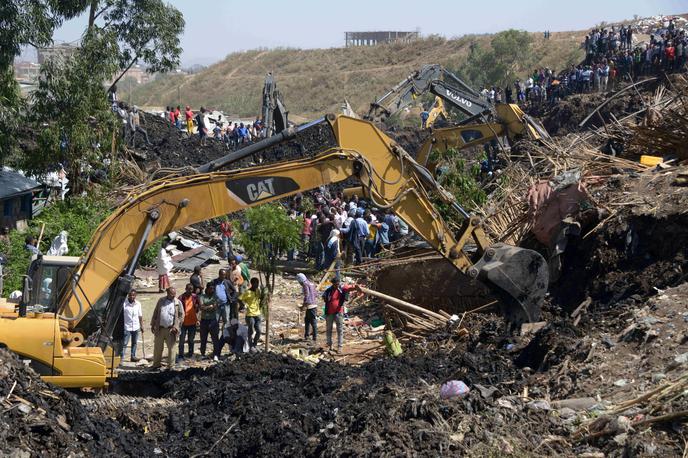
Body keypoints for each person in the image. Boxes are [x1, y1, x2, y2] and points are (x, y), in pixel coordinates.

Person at [150, 287, 184, 369]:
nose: (173, 296)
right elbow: (156, 312)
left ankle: (171, 366)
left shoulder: (177, 302)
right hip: (160, 329)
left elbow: (181, 316)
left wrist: (176, 326)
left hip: (171, 330)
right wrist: (153, 324)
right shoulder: (161, 301)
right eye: (171, 294)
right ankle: (156, 365)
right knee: (158, 348)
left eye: (174, 294)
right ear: (167, 293)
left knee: (172, 348)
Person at [322, 278, 359, 353]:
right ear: (333, 284)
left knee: (340, 330)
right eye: (336, 284)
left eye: (338, 284)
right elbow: (324, 296)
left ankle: (340, 346)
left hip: (339, 312)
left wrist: (356, 287)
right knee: (329, 329)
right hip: (329, 313)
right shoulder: (328, 290)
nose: (337, 285)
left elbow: (349, 288)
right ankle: (329, 345)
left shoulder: (341, 290)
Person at [239, 278, 262, 351]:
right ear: (252, 283)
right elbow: (239, 299)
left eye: (257, 283)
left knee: (259, 330)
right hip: (250, 315)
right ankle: (250, 345)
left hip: (258, 314)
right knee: (251, 330)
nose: (257, 285)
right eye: (255, 283)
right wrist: (244, 305)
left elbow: (261, 298)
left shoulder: (258, 291)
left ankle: (255, 344)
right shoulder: (248, 292)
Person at [121, 289, 143, 362]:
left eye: (133, 295)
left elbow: (140, 316)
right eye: (130, 295)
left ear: (135, 296)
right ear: (128, 295)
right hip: (127, 327)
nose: (132, 297)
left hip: (136, 327)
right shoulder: (124, 304)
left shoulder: (138, 304)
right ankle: (121, 359)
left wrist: (141, 326)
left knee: (134, 343)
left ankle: (132, 356)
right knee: (124, 344)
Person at [178, 283, 199, 359]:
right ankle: (181, 355)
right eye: (189, 289)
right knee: (182, 340)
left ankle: (190, 354)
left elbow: (198, 306)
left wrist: (197, 318)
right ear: (185, 289)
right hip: (183, 323)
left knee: (191, 340)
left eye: (191, 289)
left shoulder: (194, 297)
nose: (190, 291)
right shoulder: (181, 298)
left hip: (192, 322)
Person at [198, 283, 220, 360]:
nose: (212, 290)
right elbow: (201, 307)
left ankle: (216, 354)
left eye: (213, 289)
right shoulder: (202, 296)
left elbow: (215, 307)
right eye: (211, 288)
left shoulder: (215, 297)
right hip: (204, 321)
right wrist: (210, 307)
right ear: (207, 289)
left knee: (215, 339)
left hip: (213, 320)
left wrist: (207, 307)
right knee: (203, 339)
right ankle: (202, 354)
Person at [296, 273, 318, 341]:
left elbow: (307, 296)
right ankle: (307, 336)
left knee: (312, 322)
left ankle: (314, 337)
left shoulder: (305, 285)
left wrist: (303, 306)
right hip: (313, 304)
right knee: (307, 320)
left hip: (310, 306)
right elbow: (315, 294)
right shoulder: (311, 283)